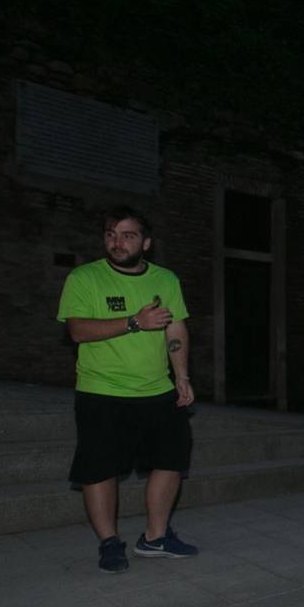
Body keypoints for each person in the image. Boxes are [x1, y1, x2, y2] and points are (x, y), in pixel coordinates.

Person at [57, 206, 198, 573]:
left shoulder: (166, 280)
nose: (117, 242)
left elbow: (176, 330)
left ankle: (155, 536)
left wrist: (181, 376)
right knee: (99, 468)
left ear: (146, 243)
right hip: (102, 390)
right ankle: (109, 542)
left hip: (158, 390)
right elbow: (77, 330)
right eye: (110, 234)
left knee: (172, 459)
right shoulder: (84, 277)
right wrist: (134, 321)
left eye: (127, 235)